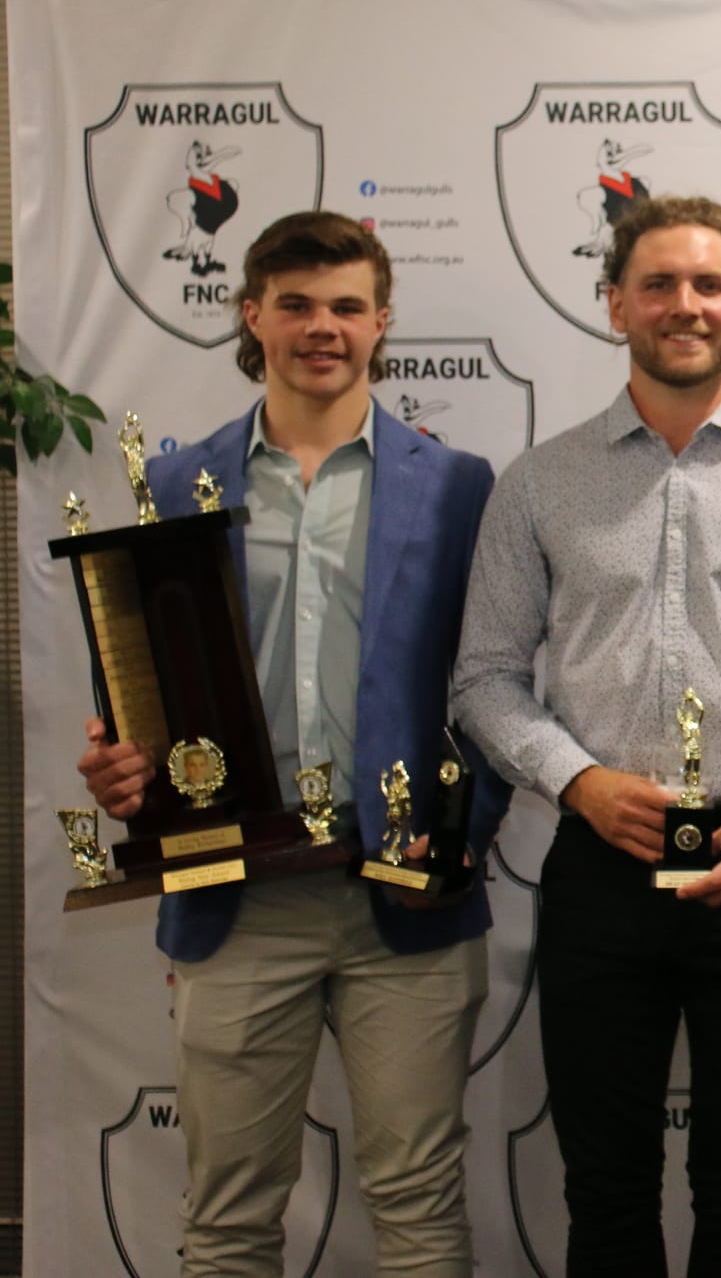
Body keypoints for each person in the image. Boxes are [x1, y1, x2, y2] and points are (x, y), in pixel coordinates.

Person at [451, 195, 721, 1276]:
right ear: (613, 306)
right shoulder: (541, 482)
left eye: (706, 285)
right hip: (601, 863)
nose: (682, 305)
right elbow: (486, 679)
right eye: (656, 284)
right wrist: (578, 781)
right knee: (604, 1190)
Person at [76, 210, 506, 1276]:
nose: (325, 328)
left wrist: (457, 836)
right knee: (227, 1218)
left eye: (348, 307)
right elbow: (136, 700)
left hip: (404, 897)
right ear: (252, 314)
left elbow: (497, 686)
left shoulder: (458, 487)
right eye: (300, 305)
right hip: (237, 900)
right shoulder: (173, 486)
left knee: (418, 1206)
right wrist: (125, 768)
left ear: (382, 322)